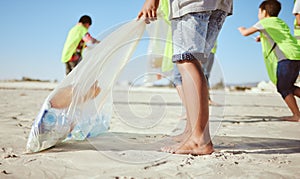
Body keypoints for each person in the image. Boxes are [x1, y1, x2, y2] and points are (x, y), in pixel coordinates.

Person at [138, 0, 233, 155]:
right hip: (220, 5)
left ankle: (199, 140)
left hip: (191, 4)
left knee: (186, 61)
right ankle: (191, 131)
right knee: (194, 62)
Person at [238, 0, 300, 122]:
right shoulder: (279, 22)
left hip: (286, 58)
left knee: (283, 88)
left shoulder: (265, 22)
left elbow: (245, 33)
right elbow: (279, 36)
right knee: (288, 87)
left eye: (259, 12)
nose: (258, 15)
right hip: (295, 55)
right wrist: (262, 38)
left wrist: (241, 28)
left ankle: (297, 116)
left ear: (264, 12)